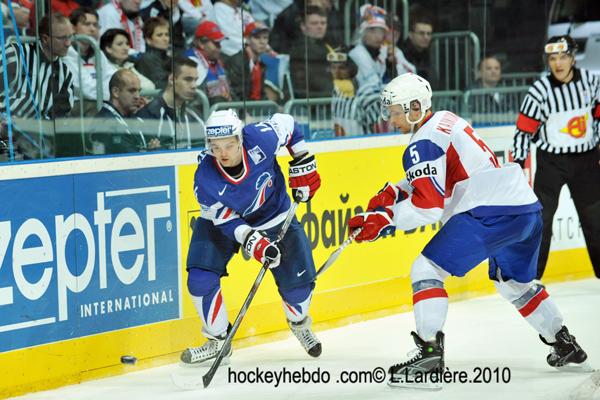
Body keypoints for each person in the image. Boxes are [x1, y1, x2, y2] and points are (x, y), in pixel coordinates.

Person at [348, 72, 590, 388]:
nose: (390, 119)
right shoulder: (446, 120)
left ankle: (429, 356)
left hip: (488, 210)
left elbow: (429, 207)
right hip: (524, 208)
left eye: (395, 111)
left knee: (426, 268)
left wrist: (385, 219)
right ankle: (564, 343)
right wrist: (396, 190)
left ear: (415, 107)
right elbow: (445, 174)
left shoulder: (420, 143)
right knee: (513, 281)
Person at [180, 108, 322, 365]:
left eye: (229, 145)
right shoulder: (204, 176)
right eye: (215, 147)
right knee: (199, 278)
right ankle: (218, 340)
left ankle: (299, 323)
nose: (222, 154)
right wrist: (252, 241)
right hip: (224, 222)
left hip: (275, 214)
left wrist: (302, 162)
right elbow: (224, 219)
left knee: (298, 290)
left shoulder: (261, 138)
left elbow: (289, 124)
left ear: (240, 139)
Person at [512, 35, 600, 280]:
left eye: (563, 57)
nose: (558, 63)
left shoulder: (592, 82)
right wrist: (519, 163)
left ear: (572, 58)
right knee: (542, 219)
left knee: (595, 219)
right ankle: (531, 278)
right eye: (553, 58)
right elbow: (524, 129)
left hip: (587, 161)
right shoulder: (540, 90)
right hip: (552, 162)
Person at [0, 13, 74, 159]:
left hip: (29, 146)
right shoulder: (15, 54)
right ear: (45, 39)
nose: (68, 43)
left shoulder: (65, 75)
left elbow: (58, 121)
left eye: (70, 37)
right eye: (62, 38)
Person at [136, 56, 205, 149]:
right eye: (188, 79)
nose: (194, 86)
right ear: (172, 79)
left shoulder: (195, 116)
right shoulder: (147, 115)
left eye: (195, 80)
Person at [349, 4, 415, 91]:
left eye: (381, 31)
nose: (377, 36)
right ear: (362, 32)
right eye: (372, 31)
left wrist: (391, 68)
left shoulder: (383, 53)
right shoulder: (357, 53)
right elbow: (374, 88)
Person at [89, 69, 154, 155]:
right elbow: (130, 159)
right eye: (132, 91)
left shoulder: (133, 117)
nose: (137, 96)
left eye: (139, 91)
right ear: (116, 92)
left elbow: (157, 143)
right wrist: (151, 150)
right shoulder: (106, 123)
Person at [224, 21, 280, 102]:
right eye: (257, 38)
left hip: (256, 109)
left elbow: (261, 94)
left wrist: (272, 107)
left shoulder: (261, 64)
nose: (262, 42)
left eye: (265, 38)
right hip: (242, 110)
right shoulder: (237, 62)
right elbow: (235, 93)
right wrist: (244, 113)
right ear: (247, 39)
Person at [289, 5, 333, 98]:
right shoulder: (300, 51)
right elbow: (306, 84)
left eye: (323, 23)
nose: (320, 27)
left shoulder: (330, 46)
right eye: (314, 23)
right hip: (315, 104)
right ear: (303, 26)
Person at [184, 20, 233, 104]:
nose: (219, 47)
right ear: (201, 43)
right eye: (216, 43)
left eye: (220, 43)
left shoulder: (217, 61)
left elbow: (230, 91)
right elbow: (194, 100)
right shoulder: (191, 62)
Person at [134, 16, 171, 89]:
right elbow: (160, 85)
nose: (165, 39)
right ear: (148, 40)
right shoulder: (148, 59)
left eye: (166, 34)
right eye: (159, 35)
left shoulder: (168, 57)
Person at [401, 11, 434, 84]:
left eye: (429, 34)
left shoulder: (426, 52)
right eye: (421, 33)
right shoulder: (402, 54)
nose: (426, 37)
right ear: (410, 34)